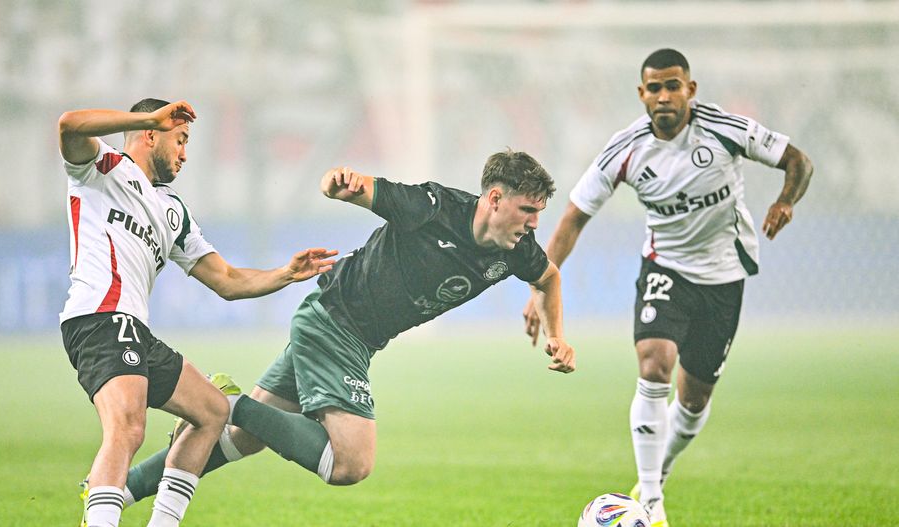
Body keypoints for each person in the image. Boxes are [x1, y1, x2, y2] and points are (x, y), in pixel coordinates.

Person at [119, 149, 576, 506]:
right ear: (494, 199)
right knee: (351, 463)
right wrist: (337, 183)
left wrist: (556, 334)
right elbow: (352, 188)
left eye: (539, 212)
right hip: (336, 324)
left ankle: (120, 489)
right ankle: (222, 401)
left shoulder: (518, 248)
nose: (534, 223)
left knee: (246, 437)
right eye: (527, 209)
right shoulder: (433, 207)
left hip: (347, 333)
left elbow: (548, 278)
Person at [523, 48, 814, 527]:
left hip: (724, 274)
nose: (664, 96)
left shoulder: (724, 129)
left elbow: (798, 161)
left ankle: (656, 475)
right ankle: (653, 503)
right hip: (666, 268)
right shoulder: (625, 149)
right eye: (654, 88)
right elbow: (573, 217)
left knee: (694, 400)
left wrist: (786, 201)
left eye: (673, 86)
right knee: (654, 361)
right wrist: (540, 284)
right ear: (642, 94)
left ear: (690, 90)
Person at [58, 98, 337, 527]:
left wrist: (285, 273)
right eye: (181, 140)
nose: (185, 154)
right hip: (99, 317)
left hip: (133, 328)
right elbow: (69, 125)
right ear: (150, 134)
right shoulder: (102, 168)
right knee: (128, 427)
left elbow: (226, 279)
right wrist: (149, 116)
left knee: (212, 411)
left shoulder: (173, 211)